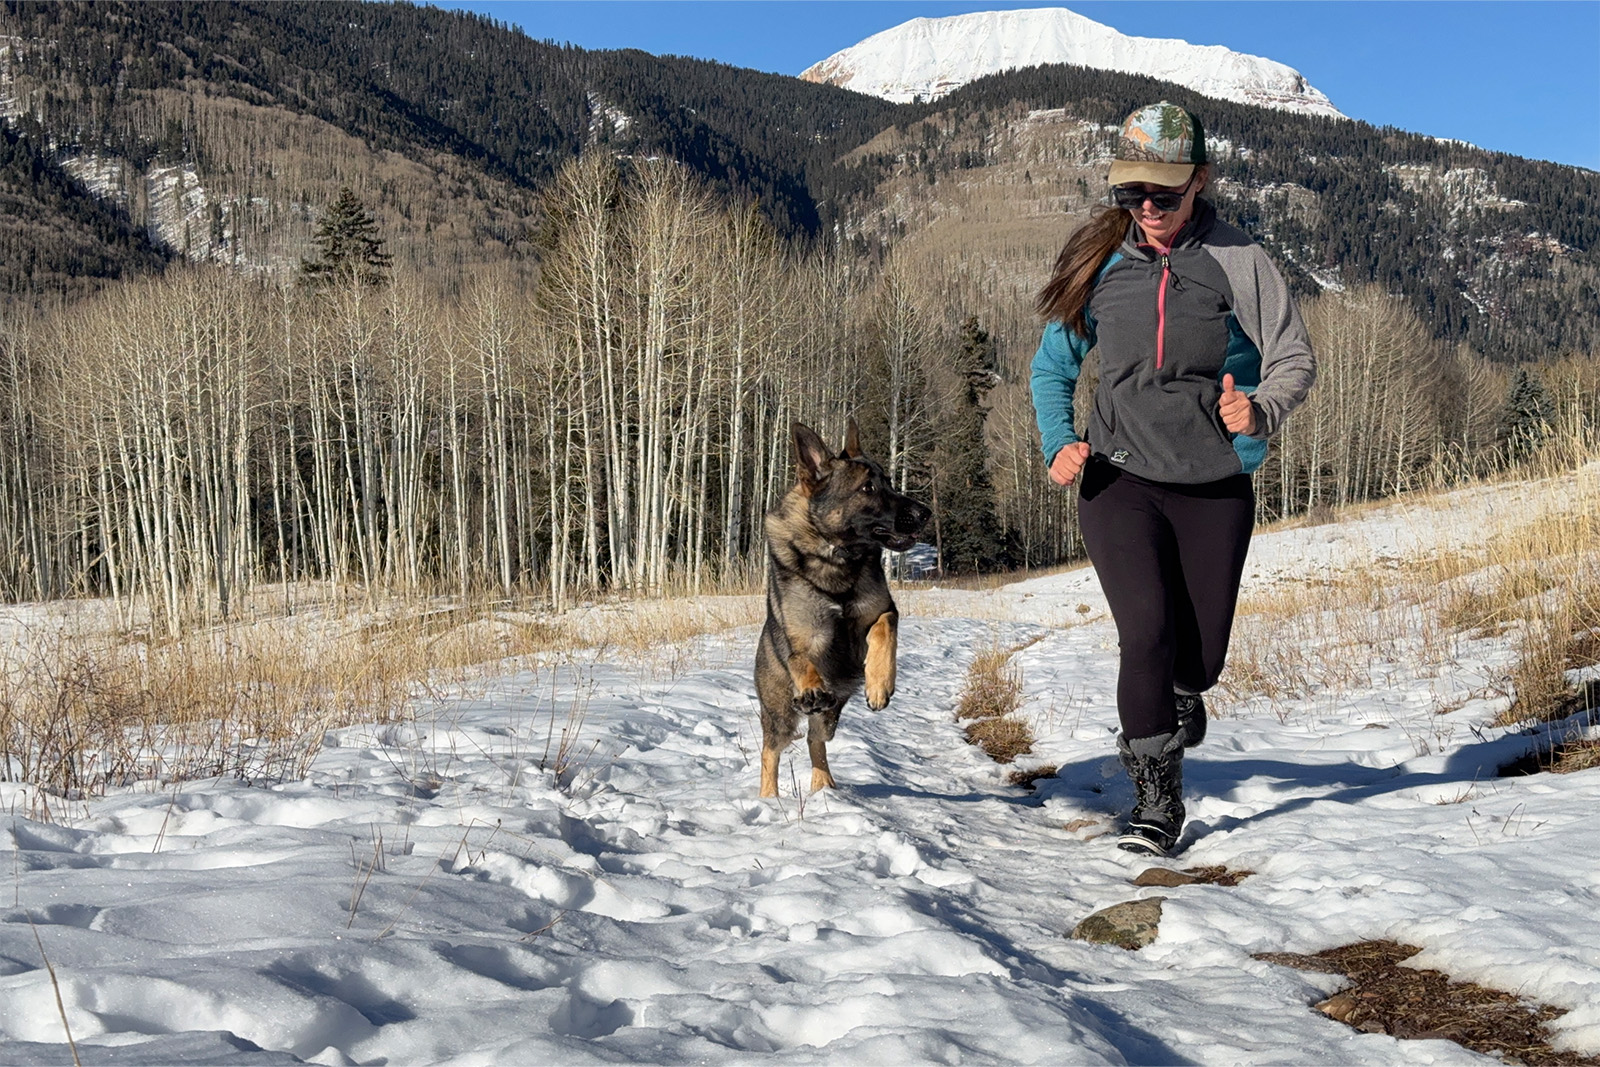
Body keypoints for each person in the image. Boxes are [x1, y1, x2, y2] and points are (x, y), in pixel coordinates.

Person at [1029, 101, 1316, 856]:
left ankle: (1184, 693)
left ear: (1202, 182)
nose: (1148, 210)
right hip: (1117, 478)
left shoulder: (1238, 259)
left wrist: (1259, 410)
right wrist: (1060, 441)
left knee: (1200, 658)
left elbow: (1293, 357)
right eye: (1133, 194)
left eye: (1165, 194)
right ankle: (1158, 801)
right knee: (1146, 634)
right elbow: (1052, 368)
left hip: (1213, 481)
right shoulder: (1101, 262)